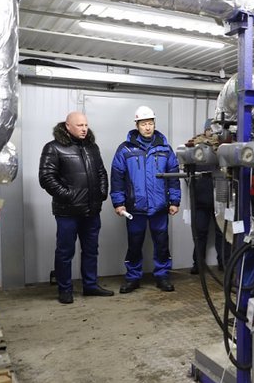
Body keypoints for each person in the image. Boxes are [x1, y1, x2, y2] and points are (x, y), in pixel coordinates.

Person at [39, 111, 113, 304]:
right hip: (67, 213)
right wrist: (69, 196)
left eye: (86, 125)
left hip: (92, 211)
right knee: (65, 252)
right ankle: (65, 290)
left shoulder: (92, 147)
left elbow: (101, 172)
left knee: (91, 250)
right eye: (80, 125)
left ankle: (90, 286)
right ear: (67, 126)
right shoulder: (53, 148)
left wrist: (101, 193)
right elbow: (46, 178)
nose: (84, 129)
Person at [110, 106, 181, 293]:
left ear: (154, 124)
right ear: (137, 125)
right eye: (143, 124)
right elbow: (117, 178)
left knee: (162, 244)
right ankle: (133, 278)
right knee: (134, 244)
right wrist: (118, 203)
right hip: (135, 207)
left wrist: (174, 201)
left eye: (150, 123)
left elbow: (173, 177)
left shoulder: (165, 148)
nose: (147, 127)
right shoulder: (125, 149)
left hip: (159, 207)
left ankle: (162, 276)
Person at [190, 119, 231, 274]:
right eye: (211, 129)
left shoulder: (226, 147)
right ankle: (198, 264)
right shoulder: (195, 146)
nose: (213, 133)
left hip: (221, 197)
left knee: (223, 231)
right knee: (200, 233)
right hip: (201, 198)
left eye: (216, 130)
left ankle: (225, 263)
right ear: (205, 130)